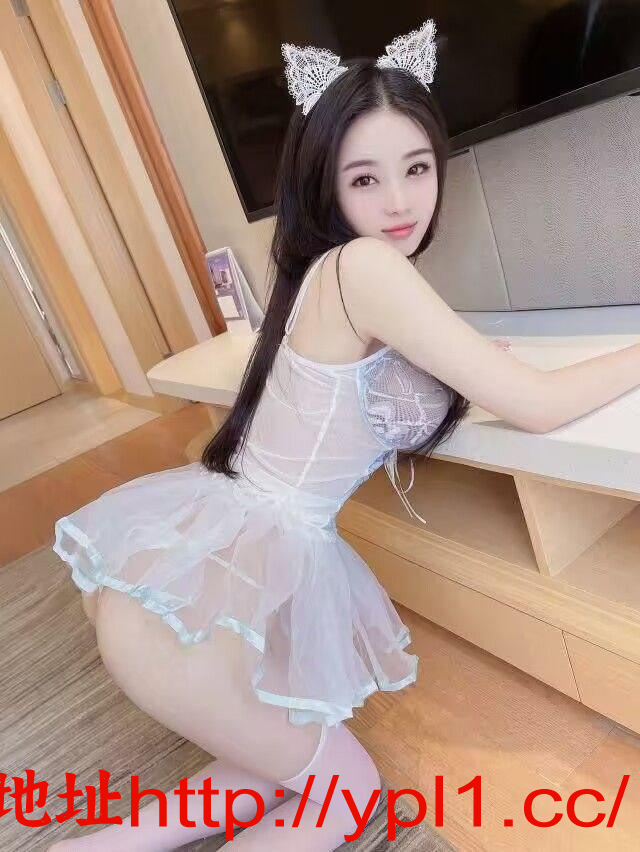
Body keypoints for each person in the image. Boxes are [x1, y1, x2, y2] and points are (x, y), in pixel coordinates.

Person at [49, 19, 640, 852]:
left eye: (417, 168)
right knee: (343, 798)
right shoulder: (364, 267)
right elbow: (537, 405)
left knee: (267, 769)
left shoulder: (319, 270)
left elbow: (385, 387)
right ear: (325, 182)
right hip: (196, 616)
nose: (399, 201)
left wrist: (465, 371)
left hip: (185, 591)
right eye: (366, 178)